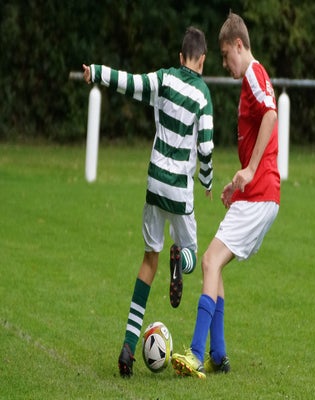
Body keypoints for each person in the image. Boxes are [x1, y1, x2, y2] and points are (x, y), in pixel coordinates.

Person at [82, 26, 214, 378]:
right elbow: (205, 147)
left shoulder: (165, 79)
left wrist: (97, 72)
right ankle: (180, 260)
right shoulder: (203, 95)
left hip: (155, 183)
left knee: (148, 260)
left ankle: (128, 346)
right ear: (202, 60)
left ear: (180, 56)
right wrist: (207, 180)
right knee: (192, 253)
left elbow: (130, 83)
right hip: (180, 189)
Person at [171, 12, 280, 378]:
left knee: (209, 262)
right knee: (214, 267)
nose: (223, 62)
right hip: (257, 194)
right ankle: (218, 355)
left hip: (262, 192)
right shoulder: (252, 78)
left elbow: (271, 116)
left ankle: (196, 353)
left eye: (224, 54)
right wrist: (239, 183)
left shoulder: (253, 73)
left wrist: (251, 171)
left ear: (238, 44)